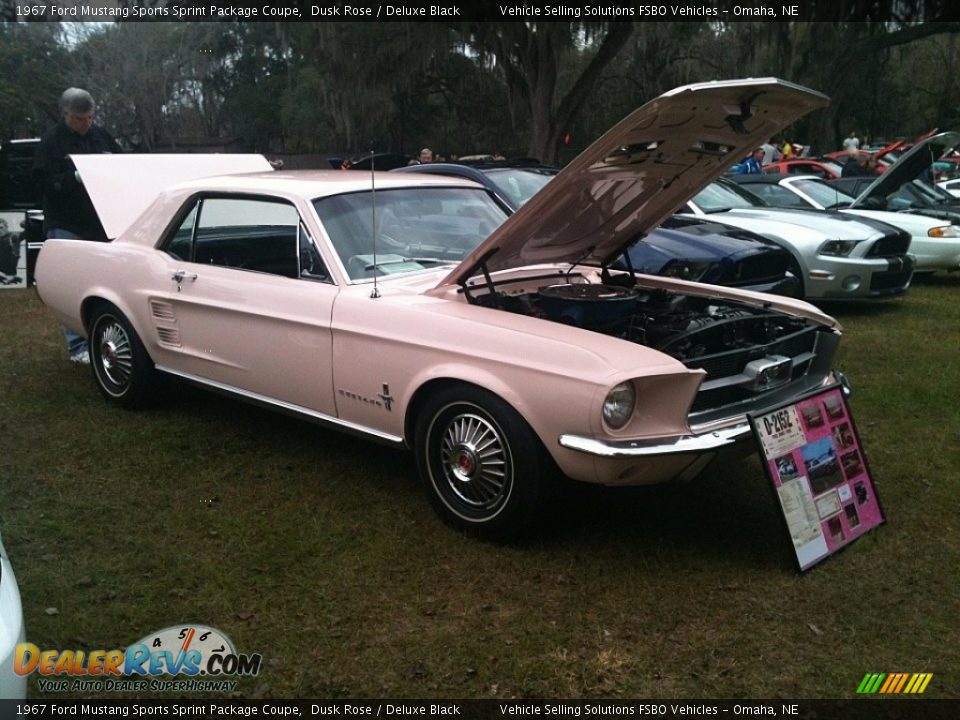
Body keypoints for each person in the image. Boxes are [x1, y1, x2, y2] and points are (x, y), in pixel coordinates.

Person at [34, 87, 122, 364]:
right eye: (80, 119)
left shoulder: (101, 136)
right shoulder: (51, 142)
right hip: (66, 223)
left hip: (100, 222)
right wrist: (73, 177)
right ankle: (77, 346)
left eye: (90, 118)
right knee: (71, 285)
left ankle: (101, 336)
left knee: (102, 285)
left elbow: (125, 165)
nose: (87, 124)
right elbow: (41, 184)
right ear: (66, 115)